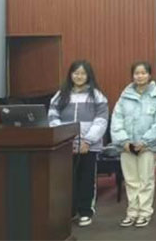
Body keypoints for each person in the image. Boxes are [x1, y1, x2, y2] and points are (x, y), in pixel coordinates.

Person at [48, 60, 109, 227]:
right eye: (76, 73)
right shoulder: (61, 95)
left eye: (82, 73)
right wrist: (63, 137)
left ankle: (85, 211)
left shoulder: (97, 96)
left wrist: (87, 140)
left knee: (86, 179)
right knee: (66, 180)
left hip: (89, 146)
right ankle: (69, 211)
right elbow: (52, 116)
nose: (79, 76)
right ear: (70, 75)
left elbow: (101, 120)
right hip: (65, 146)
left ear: (88, 76)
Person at [111, 61, 156, 228]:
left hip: (148, 146)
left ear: (149, 75)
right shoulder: (124, 95)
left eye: (143, 73)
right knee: (131, 180)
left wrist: (145, 141)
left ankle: (145, 212)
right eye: (136, 73)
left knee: (145, 180)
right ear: (132, 75)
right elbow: (117, 119)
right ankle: (132, 212)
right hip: (126, 146)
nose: (140, 76)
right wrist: (123, 141)